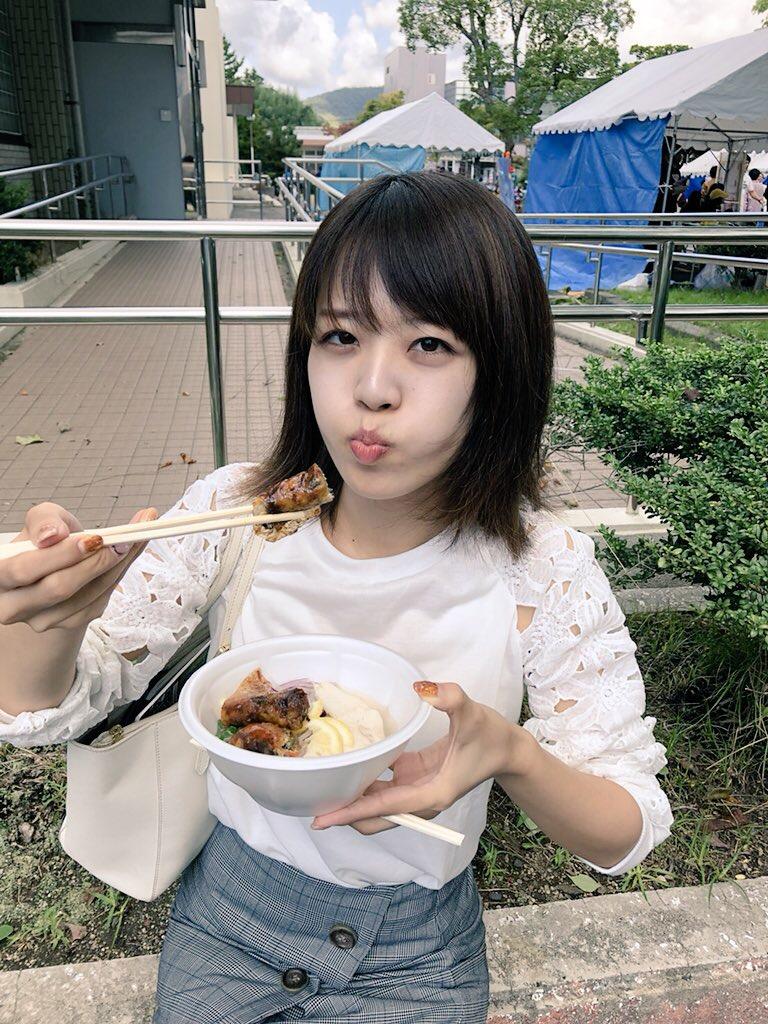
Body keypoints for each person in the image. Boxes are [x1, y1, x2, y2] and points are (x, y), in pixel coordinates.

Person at [0, 173, 673, 1024]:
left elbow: (628, 826)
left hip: (418, 955)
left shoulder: (543, 569)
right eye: (341, 335)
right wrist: (47, 625)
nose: (373, 388)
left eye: (430, 344)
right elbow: (64, 703)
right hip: (228, 917)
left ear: (500, 371)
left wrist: (513, 756)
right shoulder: (236, 513)